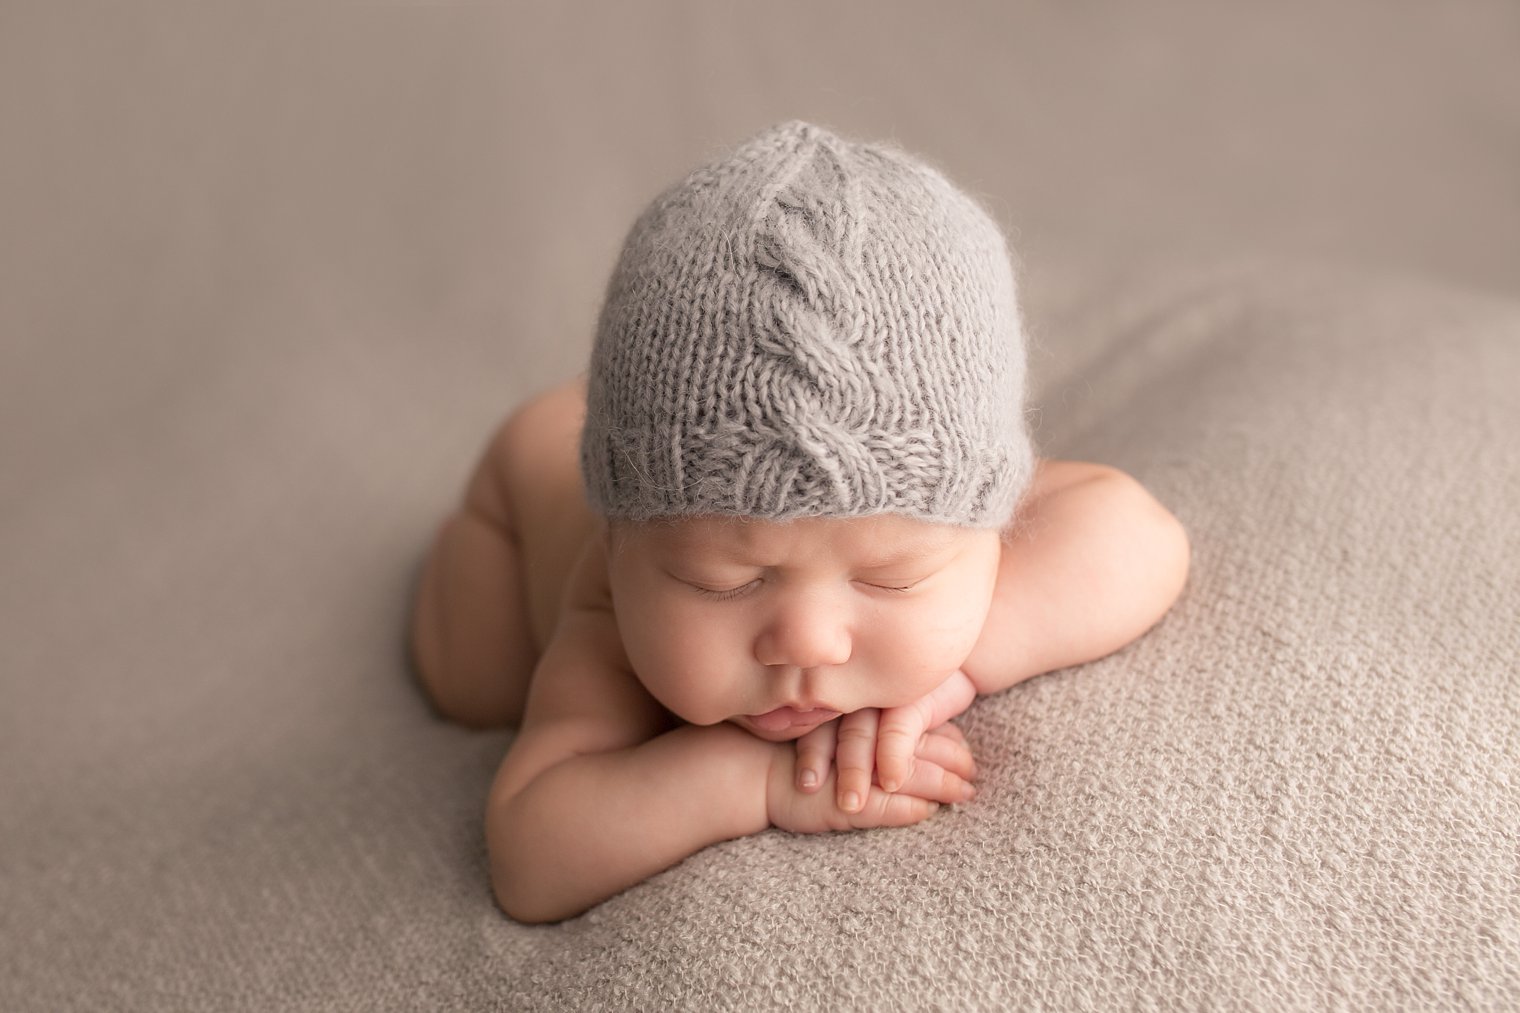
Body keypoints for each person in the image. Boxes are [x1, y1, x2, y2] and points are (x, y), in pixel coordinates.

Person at [409, 120, 1191, 924]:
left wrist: (949, 678)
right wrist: (757, 781)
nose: (809, 641)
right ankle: (453, 544)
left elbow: (1140, 536)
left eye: (890, 576)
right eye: (726, 582)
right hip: (521, 487)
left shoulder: (943, 490)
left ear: (993, 522)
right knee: (475, 682)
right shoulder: (606, 621)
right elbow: (530, 855)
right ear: (615, 551)